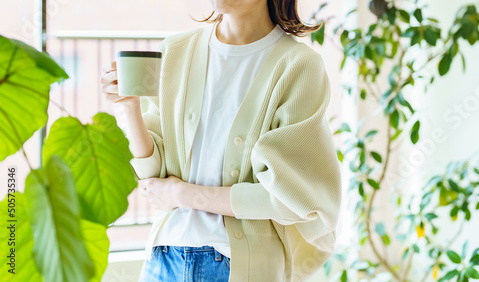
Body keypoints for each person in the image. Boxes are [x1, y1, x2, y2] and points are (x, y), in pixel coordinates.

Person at [100, 0, 342, 281]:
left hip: (236, 266)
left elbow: (292, 198)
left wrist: (183, 194)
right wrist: (129, 106)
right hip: (163, 258)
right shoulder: (174, 51)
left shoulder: (299, 65)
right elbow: (153, 176)